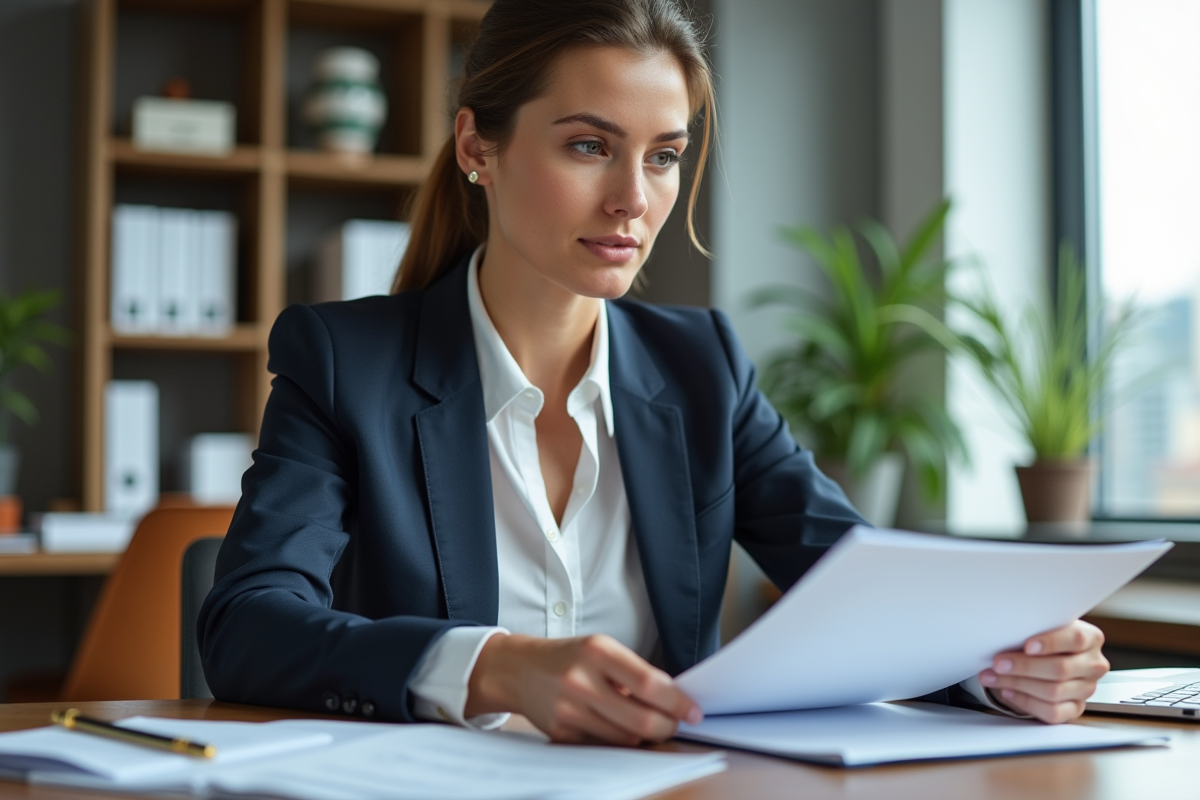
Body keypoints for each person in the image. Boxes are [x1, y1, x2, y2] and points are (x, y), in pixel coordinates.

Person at [198, 0, 1109, 745]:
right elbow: (247, 625)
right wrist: (497, 665)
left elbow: (859, 589)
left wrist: (1004, 669)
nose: (636, 198)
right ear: (479, 146)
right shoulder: (343, 360)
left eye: (664, 155)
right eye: (589, 146)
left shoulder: (701, 366)